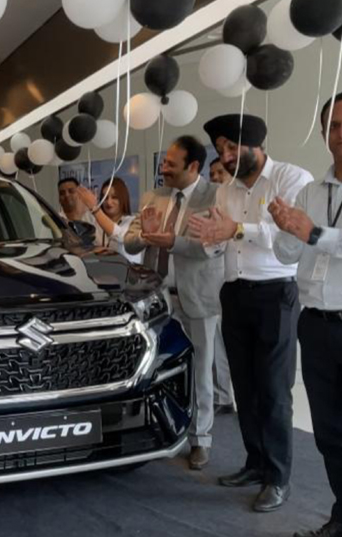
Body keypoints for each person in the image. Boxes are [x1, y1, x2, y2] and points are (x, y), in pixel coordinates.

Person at [270, 92, 342, 537]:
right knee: (330, 434)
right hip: (317, 324)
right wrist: (286, 229)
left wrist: (315, 233)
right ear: (324, 134)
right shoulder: (309, 191)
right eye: (334, 125)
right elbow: (287, 254)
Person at [189, 114, 313, 513]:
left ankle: (278, 478)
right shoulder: (225, 191)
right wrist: (209, 238)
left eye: (232, 147)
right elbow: (220, 242)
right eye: (220, 149)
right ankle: (255, 462)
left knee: (274, 390)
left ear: (256, 143)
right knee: (244, 386)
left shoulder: (291, 178)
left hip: (276, 293)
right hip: (235, 293)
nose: (225, 156)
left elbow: (289, 233)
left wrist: (237, 230)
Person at [122, 136, 226, 470]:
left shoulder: (216, 195)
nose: (163, 168)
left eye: (170, 163)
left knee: (201, 372)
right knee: (155, 367)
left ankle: (201, 439)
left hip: (197, 297)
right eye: (163, 162)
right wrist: (144, 235)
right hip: (157, 302)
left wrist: (172, 241)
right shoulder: (153, 197)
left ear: (193, 166)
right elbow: (129, 242)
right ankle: (157, 429)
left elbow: (210, 247)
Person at [206, 158, 235, 415]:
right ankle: (222, 395)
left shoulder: (234, 208)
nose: (215, 178)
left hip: (230, 283)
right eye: (212, 173)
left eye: (220, 173)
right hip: (213, 283)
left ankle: (224, 396)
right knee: (217, 341)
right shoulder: (212, 206)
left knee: (221, 342)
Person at [77, 178, 142, 263]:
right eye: (105, 197)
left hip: (125, 269)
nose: (109, 202)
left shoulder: (132, 221)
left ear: (123, 198)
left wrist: (94, 208)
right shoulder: (92, 220)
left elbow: (120, 236)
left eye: (114, 197)